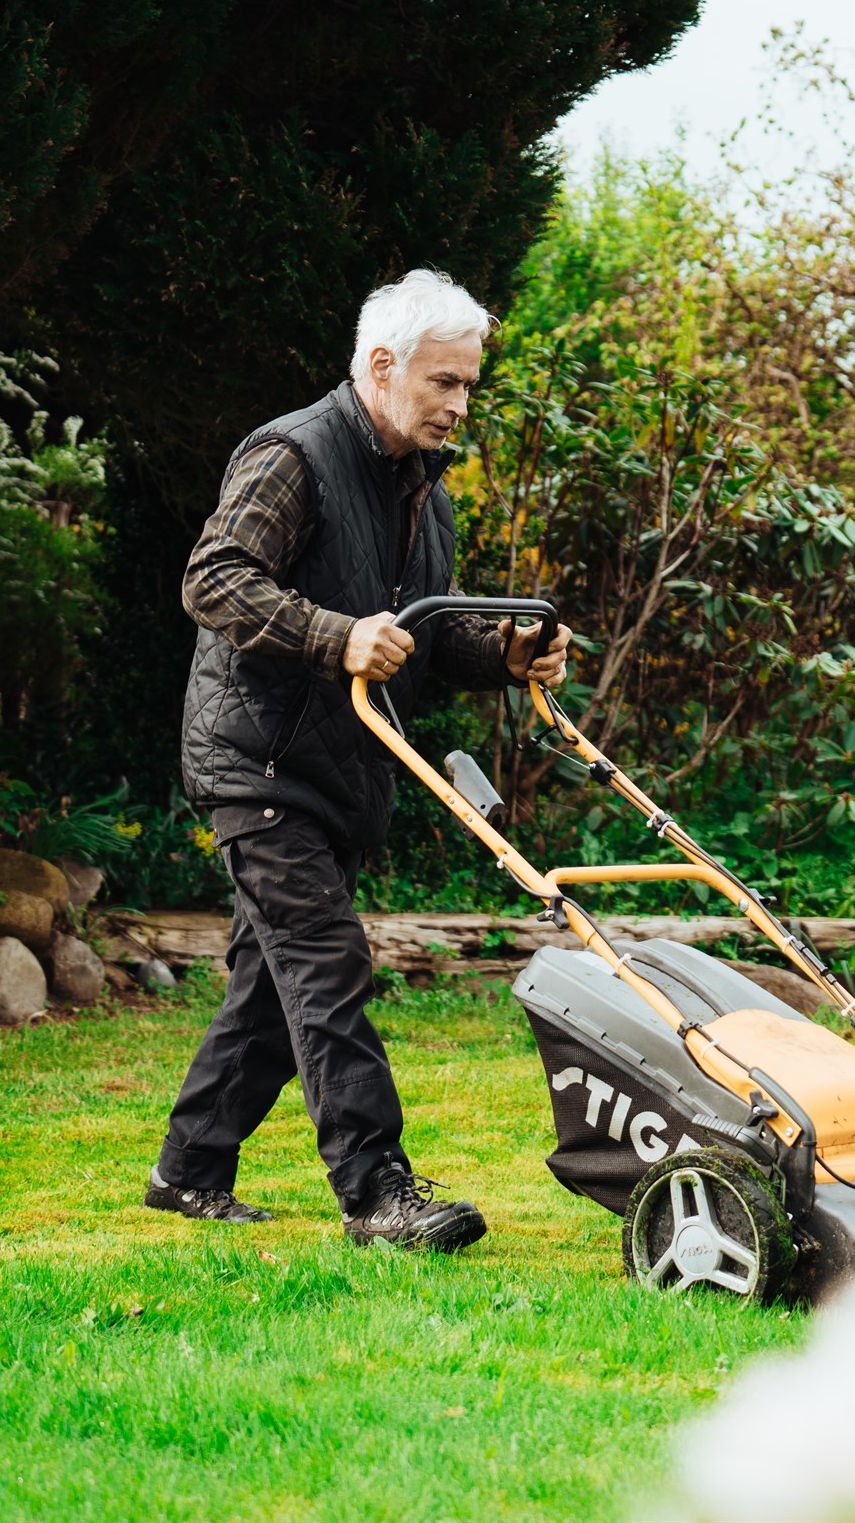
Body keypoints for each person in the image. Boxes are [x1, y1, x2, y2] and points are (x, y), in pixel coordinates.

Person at [146, 269, 569, 1250]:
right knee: (327, 964)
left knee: (269, 981)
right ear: (383, 368)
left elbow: (417, 635)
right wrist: (334, 636)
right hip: (259, 763)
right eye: (444, 384)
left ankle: (188, 1169)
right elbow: (213, 583)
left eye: (468, 386)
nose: (460, 404)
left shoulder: (423, 493)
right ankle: (377, 1193)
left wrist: (506, 654)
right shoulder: (293, 455)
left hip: (341, 769)